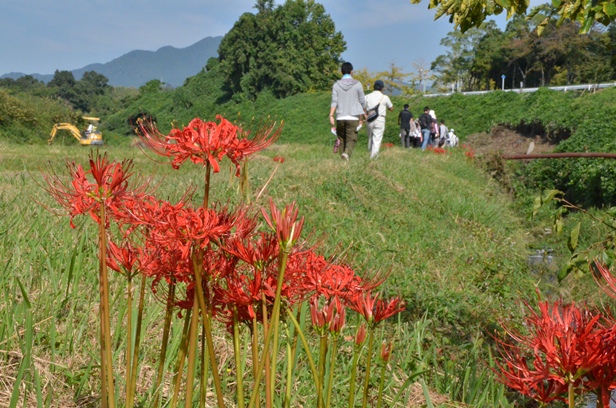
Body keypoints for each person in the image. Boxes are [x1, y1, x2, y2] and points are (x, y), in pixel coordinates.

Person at [329, 62, 367, 160]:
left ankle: (343, 160)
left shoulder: (336, 85)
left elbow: (334, 101)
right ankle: (346, 154)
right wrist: (364, 113)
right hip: (353, 116)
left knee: (341, 139)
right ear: (352, 72)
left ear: (341, 72)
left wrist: (331, 115)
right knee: (351, 138)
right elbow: (362, 101)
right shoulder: (358, 84)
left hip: (340, 116)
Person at [365, 80, 393, 159]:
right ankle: (373, 157)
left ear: (373, 87)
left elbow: (362, 107)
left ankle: (370, 153)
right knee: (377, 138)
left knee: (370, 137)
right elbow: (391, 108)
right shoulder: (384, 97)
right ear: (382, 88)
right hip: (380, 119)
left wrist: (364, 116)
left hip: (369, 118)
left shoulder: (367, 96)